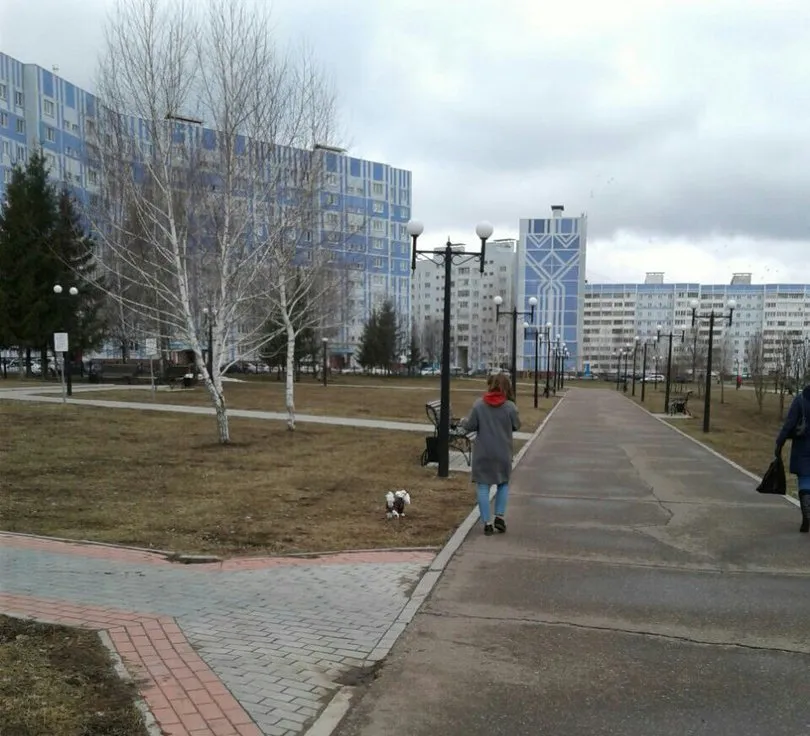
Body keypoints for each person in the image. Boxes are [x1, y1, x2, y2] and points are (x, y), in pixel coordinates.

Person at [461, 373, 521, 536]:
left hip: (483, 453)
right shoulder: (510, 407)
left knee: (483, 486)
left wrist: (463, 421)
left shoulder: (479, 405)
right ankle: (499, 517)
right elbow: (516, 425)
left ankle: (487, 523)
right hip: (503, 452)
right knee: (503, 484)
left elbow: (470, 425)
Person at [775, 384, 810, 532]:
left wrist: (780, 443)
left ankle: (806, 514)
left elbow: (789, 424)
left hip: (803, 446)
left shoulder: (800, 400)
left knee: (805, 478)